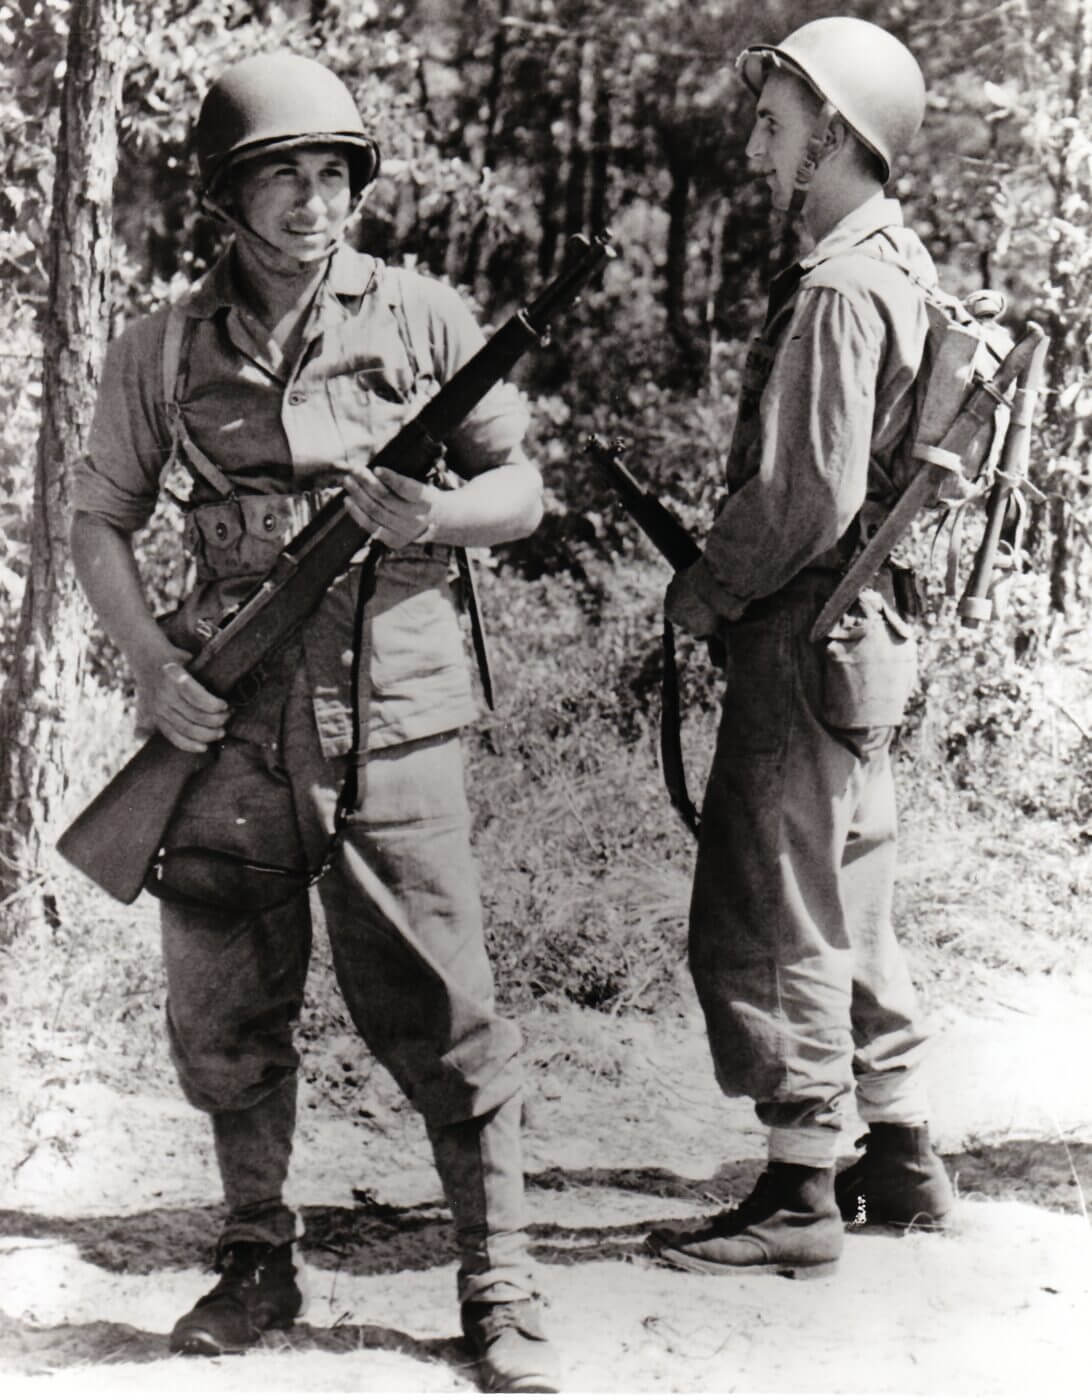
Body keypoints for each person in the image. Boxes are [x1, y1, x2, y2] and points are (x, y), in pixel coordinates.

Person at [70, 50, 560, 1392]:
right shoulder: (162, 347)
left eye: (332, 173)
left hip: (393, 708)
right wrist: (149, 666)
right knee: (224, 997)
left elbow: (520, 489)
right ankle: (255, 1255)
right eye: (282, 175)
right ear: (230, 196)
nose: (311, 200)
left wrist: (438, 516)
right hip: (228, 712)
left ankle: (499, 1279)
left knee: (445, 1001)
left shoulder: (421, 318)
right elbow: (98, 520)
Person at [645, 16, 954, 1279]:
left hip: (803, 632)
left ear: (835, 132)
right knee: (853, 897)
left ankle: (797, 1188)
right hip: (866, 641)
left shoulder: (838, 284)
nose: (759, 147)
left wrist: (707, 591)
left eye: (776, 124)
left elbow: (803, 502)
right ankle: (901, 1152)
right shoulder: (903, 263)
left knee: (771, 909)